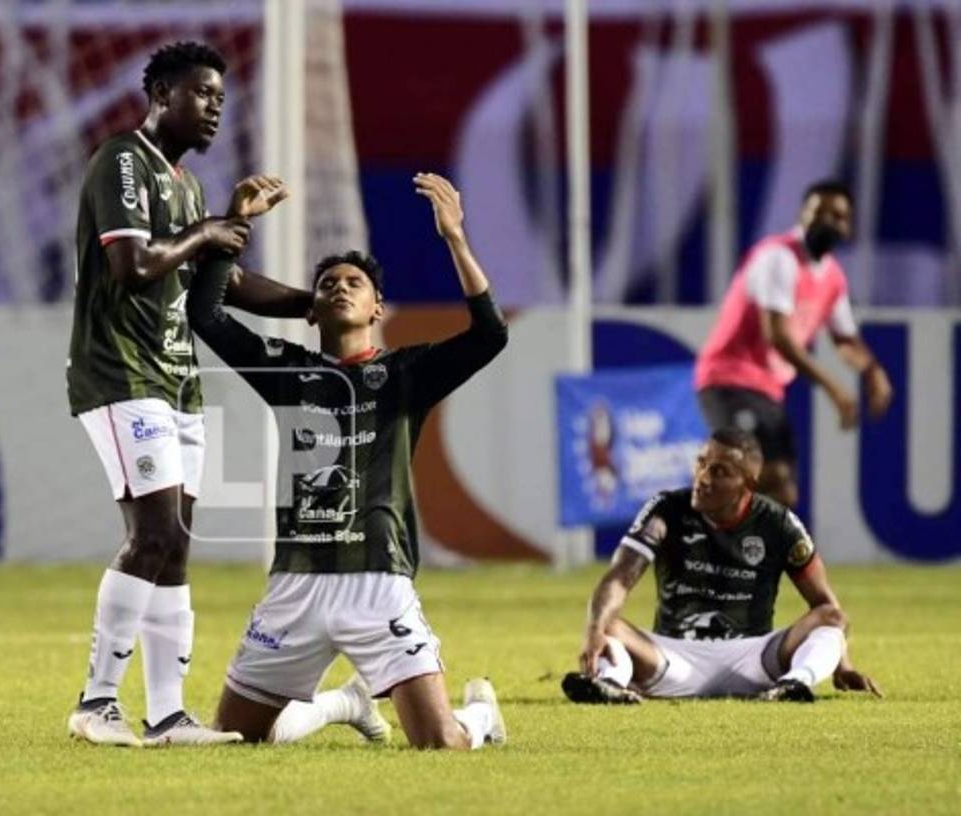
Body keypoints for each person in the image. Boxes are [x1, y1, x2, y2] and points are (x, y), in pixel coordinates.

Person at [187, 172, 508, 750]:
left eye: (354, 281)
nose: (340, 287)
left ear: (376, 306)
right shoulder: (287, 372)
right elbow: (205, 315)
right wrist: (237, 223)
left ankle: (481, 719)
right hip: (296, 583)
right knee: (234, 738)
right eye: (328, 282)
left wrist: (455, 239)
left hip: (376, 582)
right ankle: (343, 703)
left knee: (439, 744)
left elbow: (490, 335)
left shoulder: (408, 374)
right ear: (310, 310)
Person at [65, 40, 306, 747]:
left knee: (176, 547)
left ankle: (168, 715)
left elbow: (220, 284)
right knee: (154, 535)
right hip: (120, 372)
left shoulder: (190, 187)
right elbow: (133, 264)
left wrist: (309, 306)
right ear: (163, 92)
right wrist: (207, 230)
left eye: (222, 101)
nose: (214, 110)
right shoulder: (122, 161)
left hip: (177, 380)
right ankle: (95, 703)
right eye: (203, 94)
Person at [561, 428, 882, 704]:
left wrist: (843, 665)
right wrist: (593, 631)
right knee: (608, 623)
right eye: (701, 463)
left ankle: (794, 684)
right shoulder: (666, 510)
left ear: (749, 483)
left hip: (754, 660)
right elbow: (619, 578)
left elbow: (823, 604)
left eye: (720, 472)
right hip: (671, 658)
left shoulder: (778, 524)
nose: (703, 478)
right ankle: (610, 685)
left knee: (832, 617)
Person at [694, 180, 894, 508]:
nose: (828, 221)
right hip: (729, 380)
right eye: (820, 212)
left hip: (768, 391)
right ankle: (688, 540)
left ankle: (750, 556)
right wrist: (834, 388)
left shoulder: (832, 277)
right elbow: (778, 337)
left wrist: (872, 371)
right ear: (803, 215)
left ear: (849, 226)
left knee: (782, 492)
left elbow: (845, 339)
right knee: (763, 475)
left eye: (838, 215)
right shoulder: (779, 257)